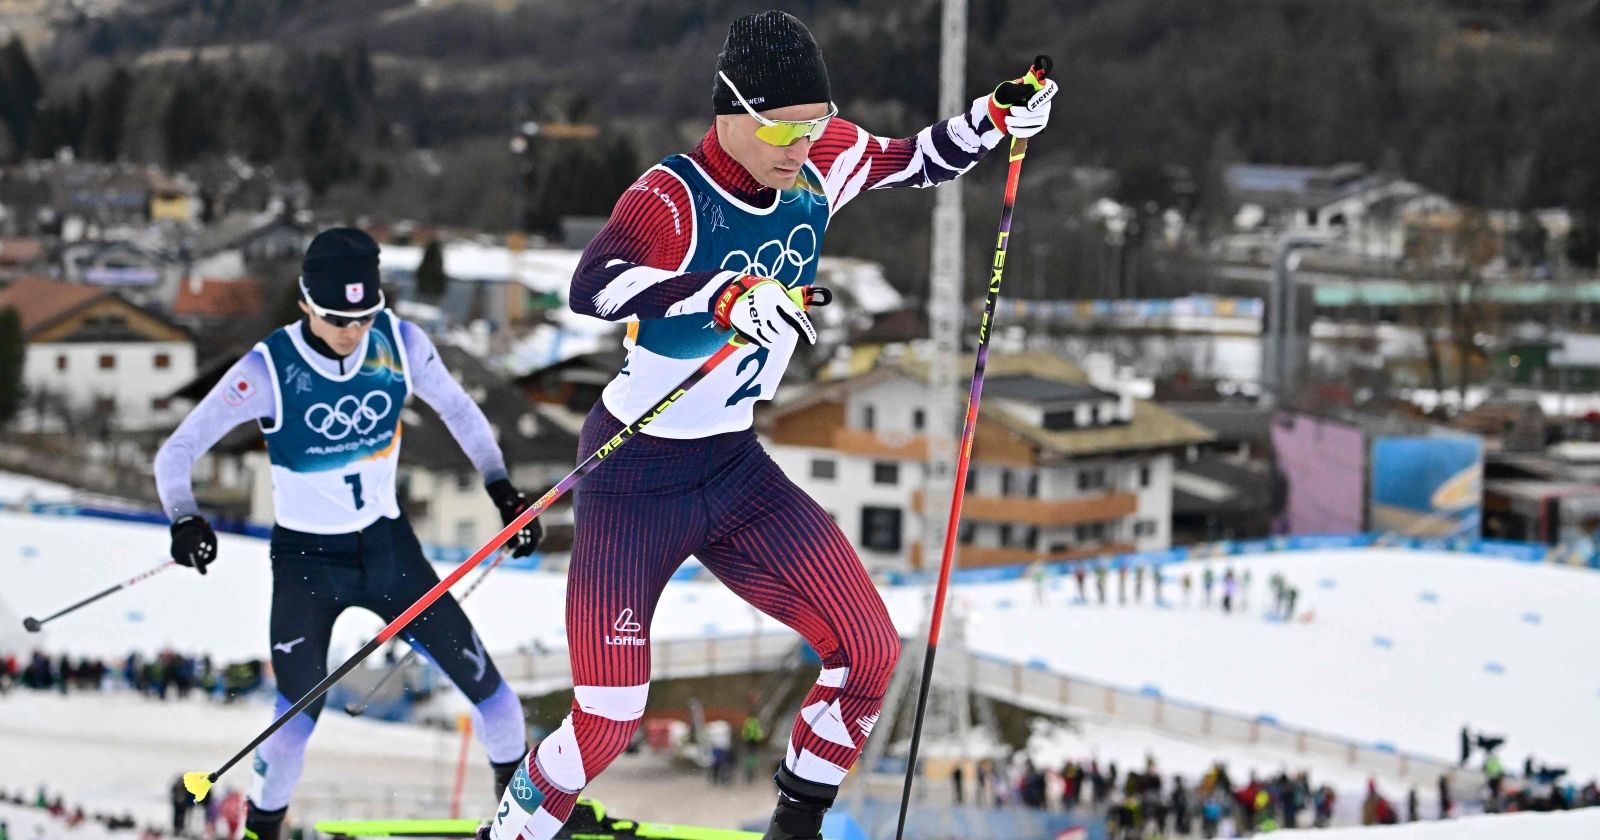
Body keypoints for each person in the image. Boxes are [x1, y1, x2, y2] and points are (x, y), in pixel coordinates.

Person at [478, 12, 1055, 840]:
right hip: (635, 474)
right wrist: (721, 295)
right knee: (607, 719)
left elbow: (920, 159)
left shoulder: (820, 159)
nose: (800, 145)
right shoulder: (673, 197)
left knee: (868, 650)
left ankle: (794, 827)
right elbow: (593, 284)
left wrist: (996, 118)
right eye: (782, 127)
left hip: (733, 467)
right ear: (732, 112)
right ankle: (516, 826)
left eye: (814, 124)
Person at [154, 228, 543, 840]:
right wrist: (184, 517)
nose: (352, 331)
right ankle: (262, 831)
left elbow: (459, 410)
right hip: (308, 563)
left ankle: (522, 824)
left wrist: (501, 490)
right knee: (294, 723)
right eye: (337, 318)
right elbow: (175, 454)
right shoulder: (268, 368)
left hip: (390, 552)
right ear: (306, 304)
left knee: (497, 700)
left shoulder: (400, 344)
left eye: (364, 316)